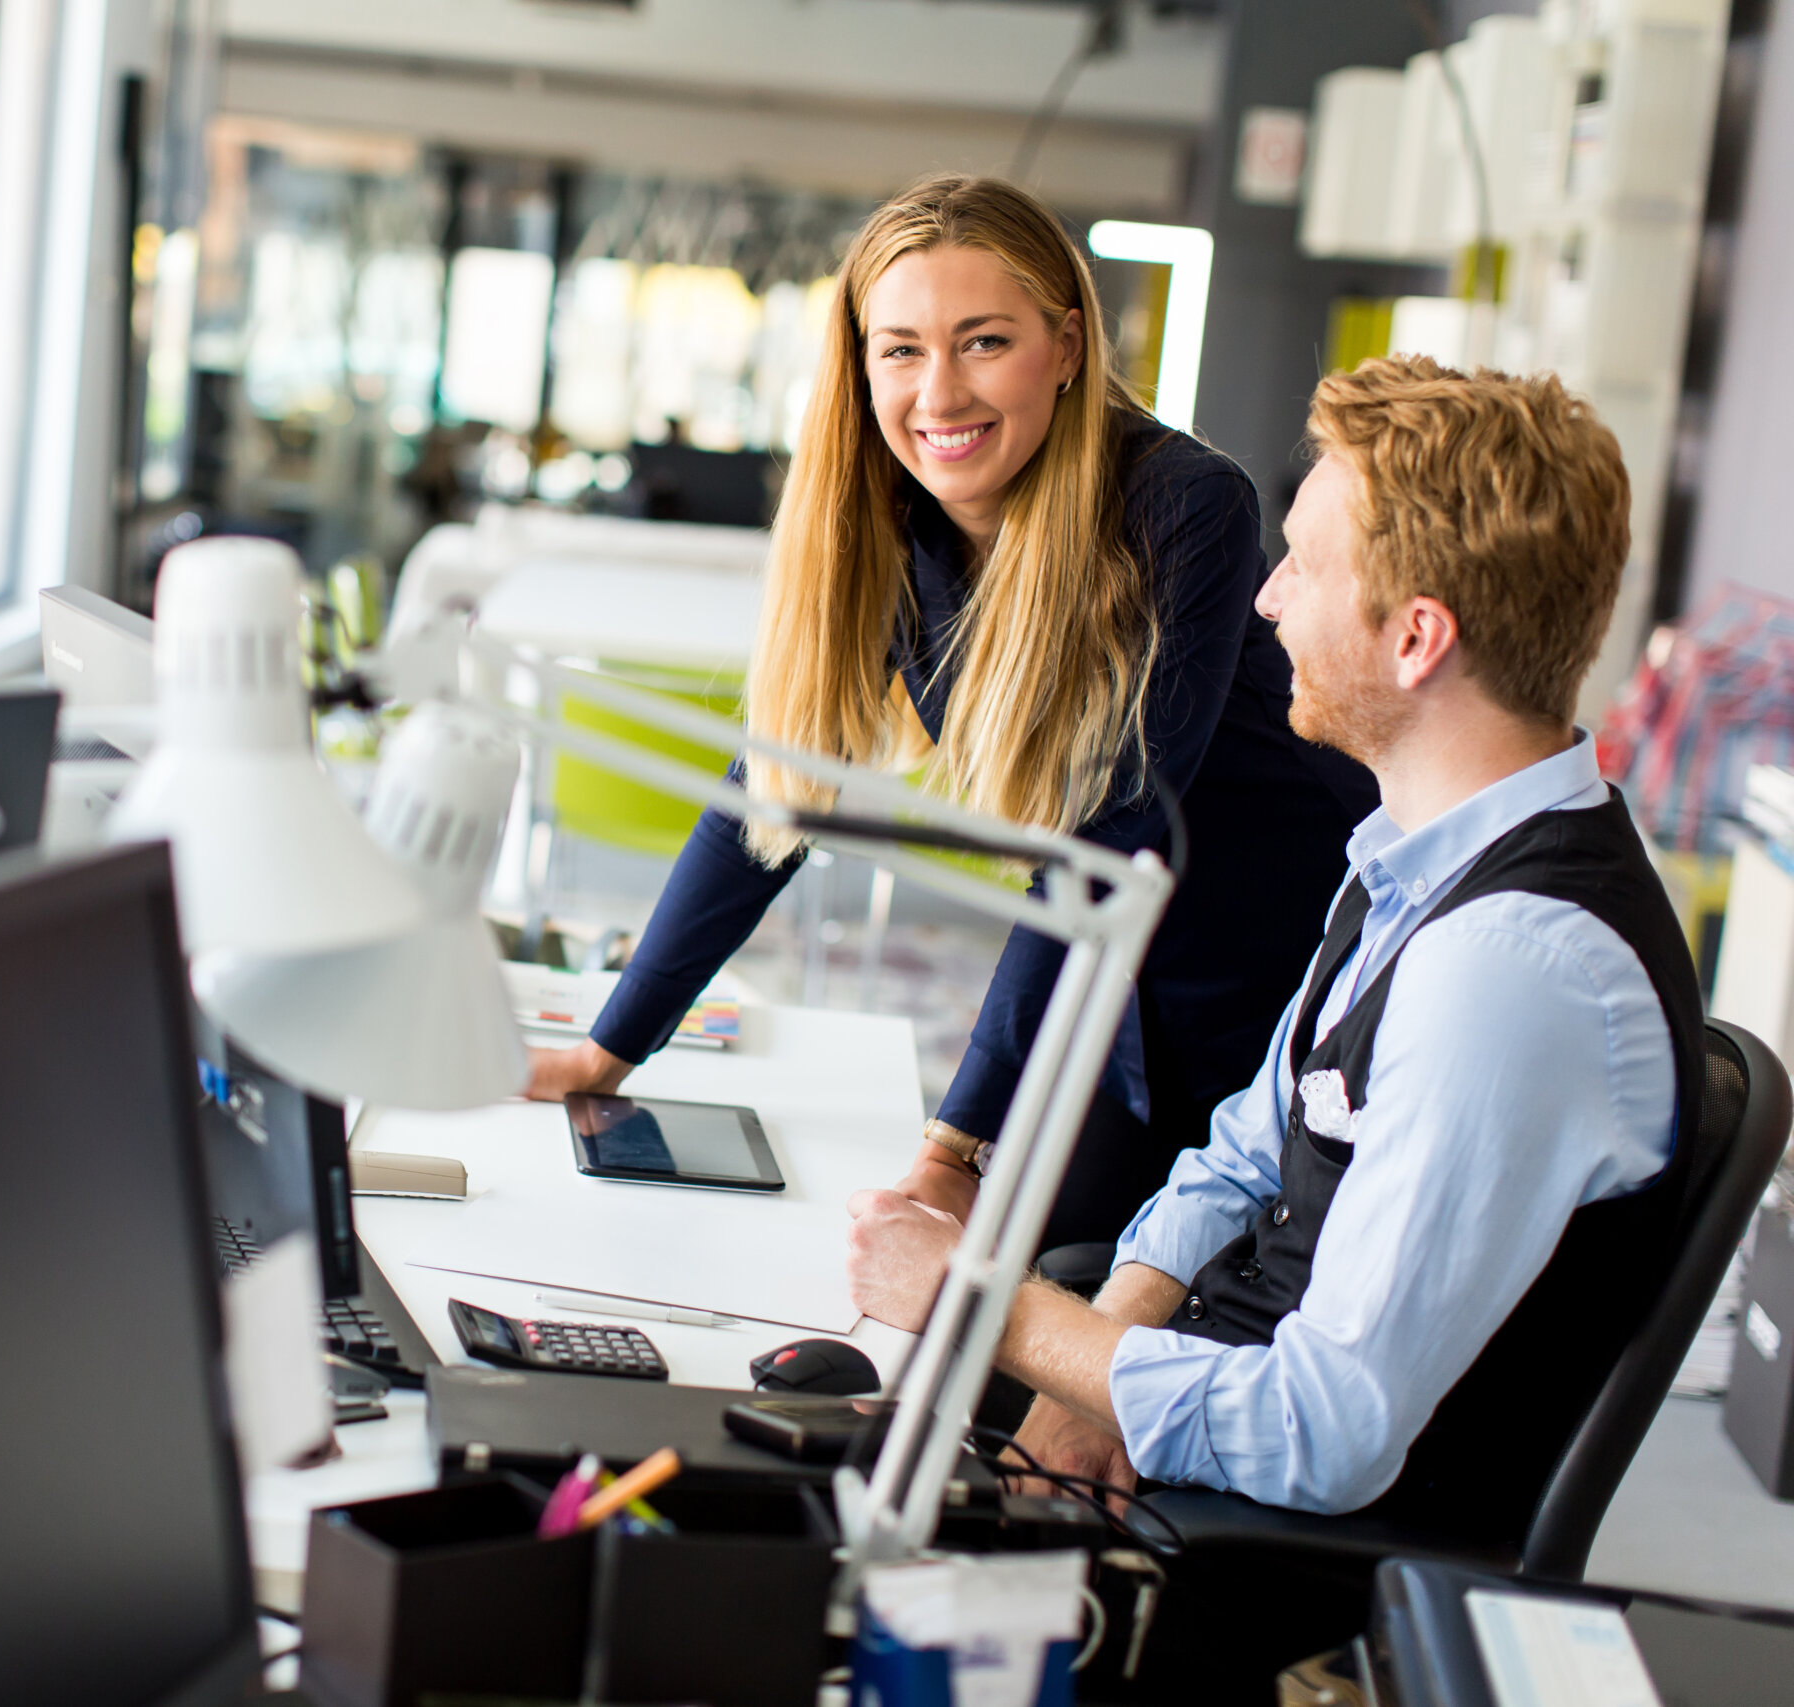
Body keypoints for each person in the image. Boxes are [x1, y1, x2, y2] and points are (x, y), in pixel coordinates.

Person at [842, 358, 1701, 1564]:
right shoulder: (1409, 856)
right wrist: (1092, 1375)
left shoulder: (1508, 971)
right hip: (1196, 1424)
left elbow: (1324, 1431)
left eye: (1298, 567)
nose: (1265, 602)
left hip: (1253, 1540)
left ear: (1415, 639)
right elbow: (1248, 1150)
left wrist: (980, 1303)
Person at [527, 174, 1374, 1249]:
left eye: (983, 342)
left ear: (1065, 345)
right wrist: (611, 1049)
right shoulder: (885, 517)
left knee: (1099, 1327)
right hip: (1105, 989)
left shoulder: (1180, 505)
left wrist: (954, 1145)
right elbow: (769, 797)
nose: (939, 394)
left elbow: (1109, 835)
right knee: (1026, 1322)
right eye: (901, 349)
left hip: (1282, 980)